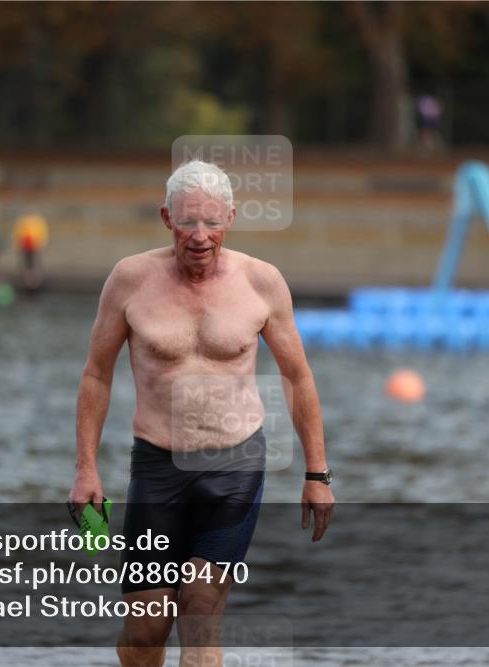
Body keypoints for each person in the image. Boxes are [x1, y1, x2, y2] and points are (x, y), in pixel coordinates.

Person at [68, 160, 334, 667]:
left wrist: (317, 472)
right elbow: (96, 375)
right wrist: (85, 469)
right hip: (157, 465)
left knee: (200, 606)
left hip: (235, 466)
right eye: (188, 222)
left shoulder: (262, 283)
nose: (200, 236)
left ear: (230, 218)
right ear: (167, 218)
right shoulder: (129, 281)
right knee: (147, 628)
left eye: (212, 222)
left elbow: (298, 377)